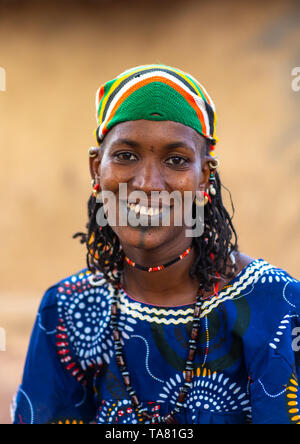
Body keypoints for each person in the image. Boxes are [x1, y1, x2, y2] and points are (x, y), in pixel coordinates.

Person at [12, 64, 300, 424]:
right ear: (96, 169)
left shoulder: (274, 305)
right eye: (126, 156)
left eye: (176, 160)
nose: (148, 183)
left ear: (204, 178)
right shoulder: (68, 310)